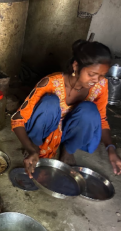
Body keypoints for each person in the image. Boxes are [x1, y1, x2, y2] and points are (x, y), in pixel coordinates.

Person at [11, 40, 121, 178]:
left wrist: (110, 149)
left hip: (70, 131)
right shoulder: (50, 82)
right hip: (45, 129)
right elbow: (18, 119)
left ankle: (68, 150)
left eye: (102, 75)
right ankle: (35, 146)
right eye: (92, 74)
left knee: (90, 111)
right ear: (76, 66)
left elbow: (102, 119)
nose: (96, 80)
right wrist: (29, 148)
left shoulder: (101, 86)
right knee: (50, 102)